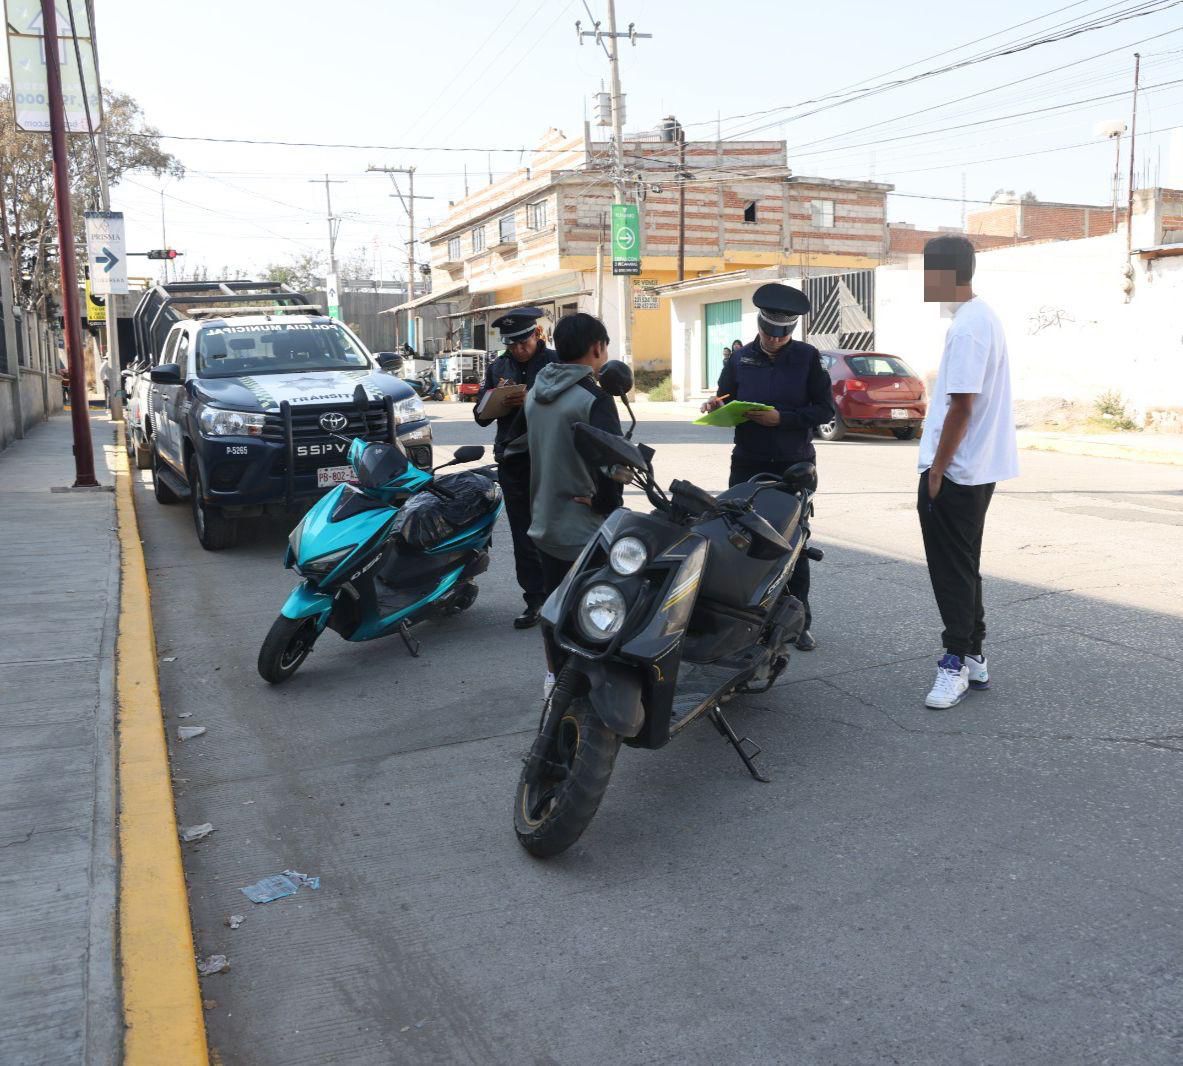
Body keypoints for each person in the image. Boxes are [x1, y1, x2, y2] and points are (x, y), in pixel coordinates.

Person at [700, 282, 834, 651]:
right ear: (759, 324)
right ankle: (741, 620)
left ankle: (798, 621)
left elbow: (825, 410)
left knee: (793, 544)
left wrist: (784, 419)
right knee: (738, 540)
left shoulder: (808, 359)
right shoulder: (740, 359)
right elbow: (726, 395)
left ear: (792, 330)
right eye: (768, 332)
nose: (774, 340)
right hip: (748, 461)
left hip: (794, 464)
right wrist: (716, 404)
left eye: (782, 334)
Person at [916, 235, 1018, 710]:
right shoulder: (983, 317)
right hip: (974, 469)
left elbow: (961, 405)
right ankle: (974, 655)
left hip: (956, 472)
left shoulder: (968, 328)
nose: (924, 283)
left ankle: (954, 661)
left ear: (943, 275)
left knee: (950, 572)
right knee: (964, 566)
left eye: (927, 273)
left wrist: (938, 471)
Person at [526, 312, 623, 698]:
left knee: (554, 606)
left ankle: (555, 677)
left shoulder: (535, 392)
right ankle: (589, 687)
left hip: (544, 519)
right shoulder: (592, 399)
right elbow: (615, 466)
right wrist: (604, 502)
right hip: (585, 526)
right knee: (595, 611)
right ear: (597, 348)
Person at [473, 307, 556, 629]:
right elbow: (480, 416)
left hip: (550, 457)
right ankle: (534, 600)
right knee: (523, 534)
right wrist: (496, 401)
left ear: (536, 334)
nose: (519, 350)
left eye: (524, 342)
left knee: (553, 530)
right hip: (513, 459)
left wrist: (531, 399)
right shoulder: (498, 367)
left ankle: (562, 598)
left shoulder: (555, 364)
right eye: (512, 344)